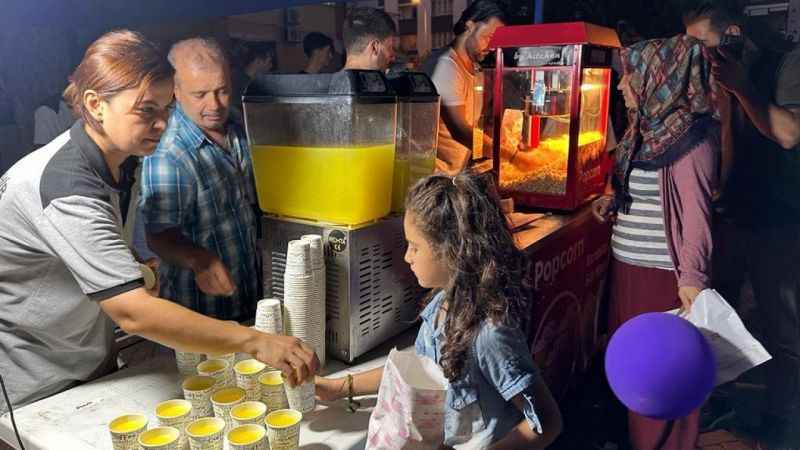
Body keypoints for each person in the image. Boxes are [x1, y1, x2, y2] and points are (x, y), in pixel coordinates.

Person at [0, 30, 318, 413]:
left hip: (83, 353)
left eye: (166, 108)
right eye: (146, 110)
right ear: (95, 104)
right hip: (38, 375)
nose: (163, 124)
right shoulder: (67, 185)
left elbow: (73, 250)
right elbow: (133, 312)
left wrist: (130, 266)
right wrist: (253, 340)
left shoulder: (118, 161)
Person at [316, 171, 563, 449]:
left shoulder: (490, 336)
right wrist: (337, 388)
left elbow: (547, 423)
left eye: (414, 247)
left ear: (454, 250)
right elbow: (417, 369)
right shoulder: (439, 306)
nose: (406, 257)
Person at [592, 34, 719, 450]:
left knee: (664, 376)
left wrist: (693, 279)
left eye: (628, 78)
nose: (620, 87)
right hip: (627, 269)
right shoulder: (643, 131)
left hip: (663, 278)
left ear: (655, 78)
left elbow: (697, 216)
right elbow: (643, 193)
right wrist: (613, 203)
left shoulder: (691, 140)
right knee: (633, 370)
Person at [683, 2, 800, 447]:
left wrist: (741, 86)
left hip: (779, 220)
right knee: (720, 319)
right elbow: (730, 135)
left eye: (702, 44)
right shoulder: (725, 72)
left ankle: (781, 420)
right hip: (734, 214)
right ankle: (718, 405)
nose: (697, 56)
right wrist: (719, 191)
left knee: (782, 326)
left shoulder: (785, 62)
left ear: (731, 32)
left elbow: (787, 132)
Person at [139, 38, 260, 322]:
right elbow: (158, 235)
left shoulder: (235, 124)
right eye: (200, 94)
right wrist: (201, 260)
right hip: (199, 310)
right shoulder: (169, 152)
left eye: (222, 91)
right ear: (176, 92)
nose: (214, 104)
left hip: (248, 296)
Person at [421, 0, 505, 174]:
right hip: (436, 175)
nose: (491, 46)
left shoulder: (475, 68)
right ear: (470, 26)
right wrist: (506, 154)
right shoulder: (445, 66)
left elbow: (476, 122)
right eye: (487, 37)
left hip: (457, 172)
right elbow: (459, 130)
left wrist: (501, 138)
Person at [230, 40, 275, 124]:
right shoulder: (237, 82)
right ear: (258, 61)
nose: (270, 66)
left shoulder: (256, 83)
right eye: (268, 61)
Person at [342, 7, 398, 72]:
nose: (393, 57)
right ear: (374, 47)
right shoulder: (385, 81)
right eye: (390, 48)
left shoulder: (329, 80)